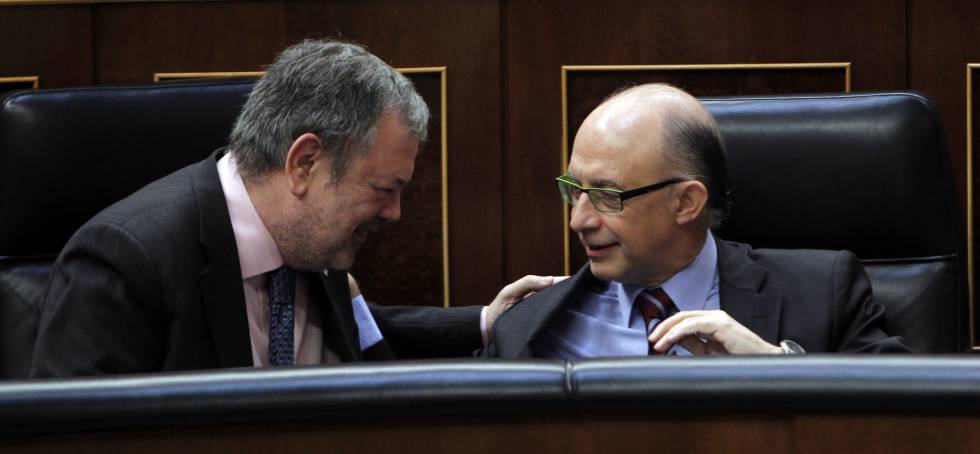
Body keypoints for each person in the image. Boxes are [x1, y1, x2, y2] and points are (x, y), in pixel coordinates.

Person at [30, 39, 554, 377]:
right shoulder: (126, 263)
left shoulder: (305, 233)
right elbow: (74, 433)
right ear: (304, 162)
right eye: (383, 188)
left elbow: (357, 329)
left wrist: (488, 321)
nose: (394, 213)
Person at [486, 84, 910, 358]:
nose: (579, 220)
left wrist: (779, 369)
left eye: (607, 196)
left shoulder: (823, 292)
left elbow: (916, 419)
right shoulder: (529, 327)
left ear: (686, 202)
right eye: (574, 189)